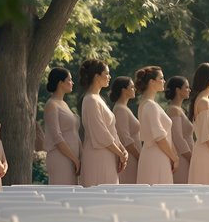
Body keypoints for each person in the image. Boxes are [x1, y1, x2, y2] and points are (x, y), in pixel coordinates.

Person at [79, 59, 127, 187]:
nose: (109, 77)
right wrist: (120, 153)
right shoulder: (90, 100)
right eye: (106, 73)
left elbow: (111, 130)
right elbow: (100, 133)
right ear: (96, 76)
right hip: (98, 155)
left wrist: (122, 149)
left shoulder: (98, 98)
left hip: (108, 154)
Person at [135, 66, 179, 185]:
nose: (164, 81)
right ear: (152, 82)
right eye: (161, 78)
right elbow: (159, 136)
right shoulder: (150, 105)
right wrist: (174, 157)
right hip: (156, 156)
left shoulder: (146, 104)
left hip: (156, 155)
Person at [43, 67, 80, 184]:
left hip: (71, 159)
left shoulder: (63, 104)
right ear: (60, 83)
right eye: (69, 80)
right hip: (60, 158)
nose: (72, 83)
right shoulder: (51, 105)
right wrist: (74, 159)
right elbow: (57, 137)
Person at [110, 76, 141, 184]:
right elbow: (125, 138)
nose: (134, 89)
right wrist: (139, 156)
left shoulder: (124, 108)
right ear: (124, 90)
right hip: (131, 157)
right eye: (132, 87)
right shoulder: (120, 109)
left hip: (133, 157)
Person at [165, 76, 193, 184]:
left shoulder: (180, 110)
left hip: (187, 157)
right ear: (178, 90)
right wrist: (190, 157)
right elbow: (177, 137)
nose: (189, 90)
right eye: (186, 87)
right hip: (183, 158)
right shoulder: (173, 110)